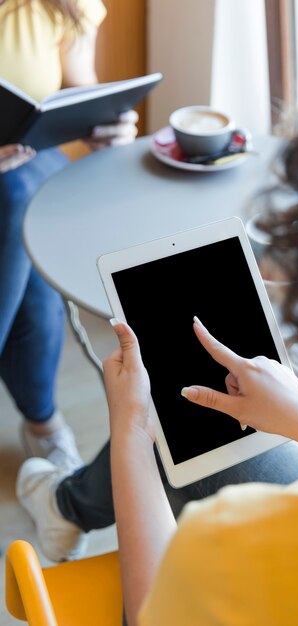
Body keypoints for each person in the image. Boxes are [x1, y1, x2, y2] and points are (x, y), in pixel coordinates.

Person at [17, 58, 298, 624]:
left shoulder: (231, 546)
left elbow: (148, 613)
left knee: (183, 424)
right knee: (213, 414)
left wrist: (132, 427)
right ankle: (68, 505)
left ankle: (67, 504)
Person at [0, 0, 138, 470]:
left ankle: (42, 420)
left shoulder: (61, 4)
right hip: (23, 183)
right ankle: (43, 421)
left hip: (24, 169)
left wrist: (105, 121)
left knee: (22, 194)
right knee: (23, 199)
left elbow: (78, 83)